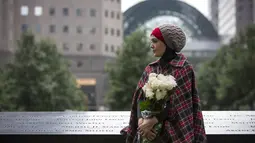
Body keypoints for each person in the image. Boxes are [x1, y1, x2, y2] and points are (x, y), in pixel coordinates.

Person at [120, 24, 207, 143]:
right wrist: (142, 123)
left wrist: (153, 121)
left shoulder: (184, 68)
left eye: (155, 41)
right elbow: (140, 100)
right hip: (147, 131)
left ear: (168, 43)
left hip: (176, 133)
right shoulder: (150, 69)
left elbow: (178, 105)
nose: (151, 45)